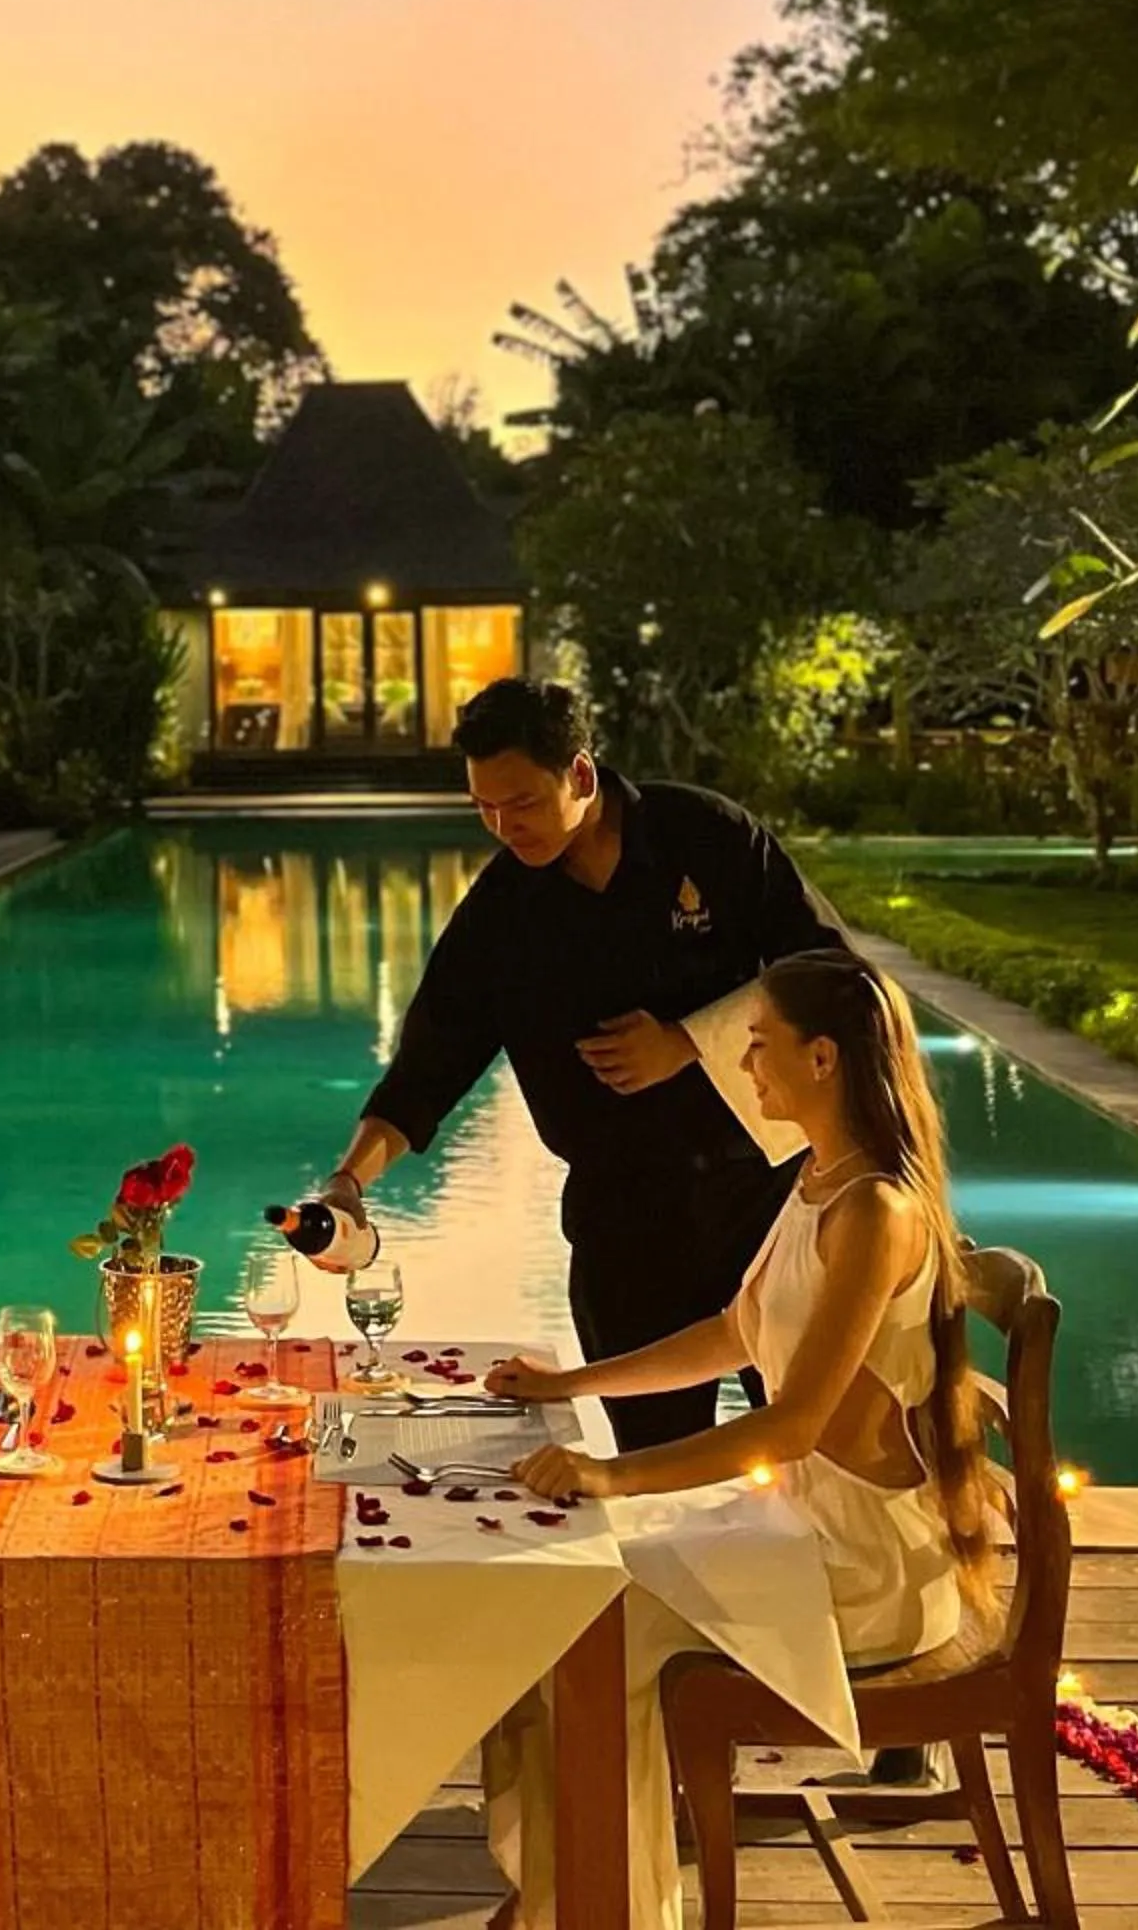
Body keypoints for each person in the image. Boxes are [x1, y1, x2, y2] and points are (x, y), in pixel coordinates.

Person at [478, 952, 998, 1926]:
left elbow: (793, 1424)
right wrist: (567, 1383)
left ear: (824, 1059)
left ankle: (599, 1906)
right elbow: (731, 1335)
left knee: (593, 1620)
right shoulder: (812, 1179)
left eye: (761, 1047)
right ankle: (580, 1894)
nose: (745, 1066)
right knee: (555, 1597)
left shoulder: (874, 1211)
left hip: (862, 1565)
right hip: (794, 1526)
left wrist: (608, 1475)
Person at [308, 678, 852, 1455]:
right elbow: (430, 1064)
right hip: (624, 1225)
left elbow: (833, 976)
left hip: (762, 1197)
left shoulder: (708, 838)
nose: (504, 827)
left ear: (582, 776)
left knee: (817, 1451)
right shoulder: (503, 913)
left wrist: (690, 1039)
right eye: (484, 809)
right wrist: (348, 1183)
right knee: (653, 1472)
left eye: (522, 803)